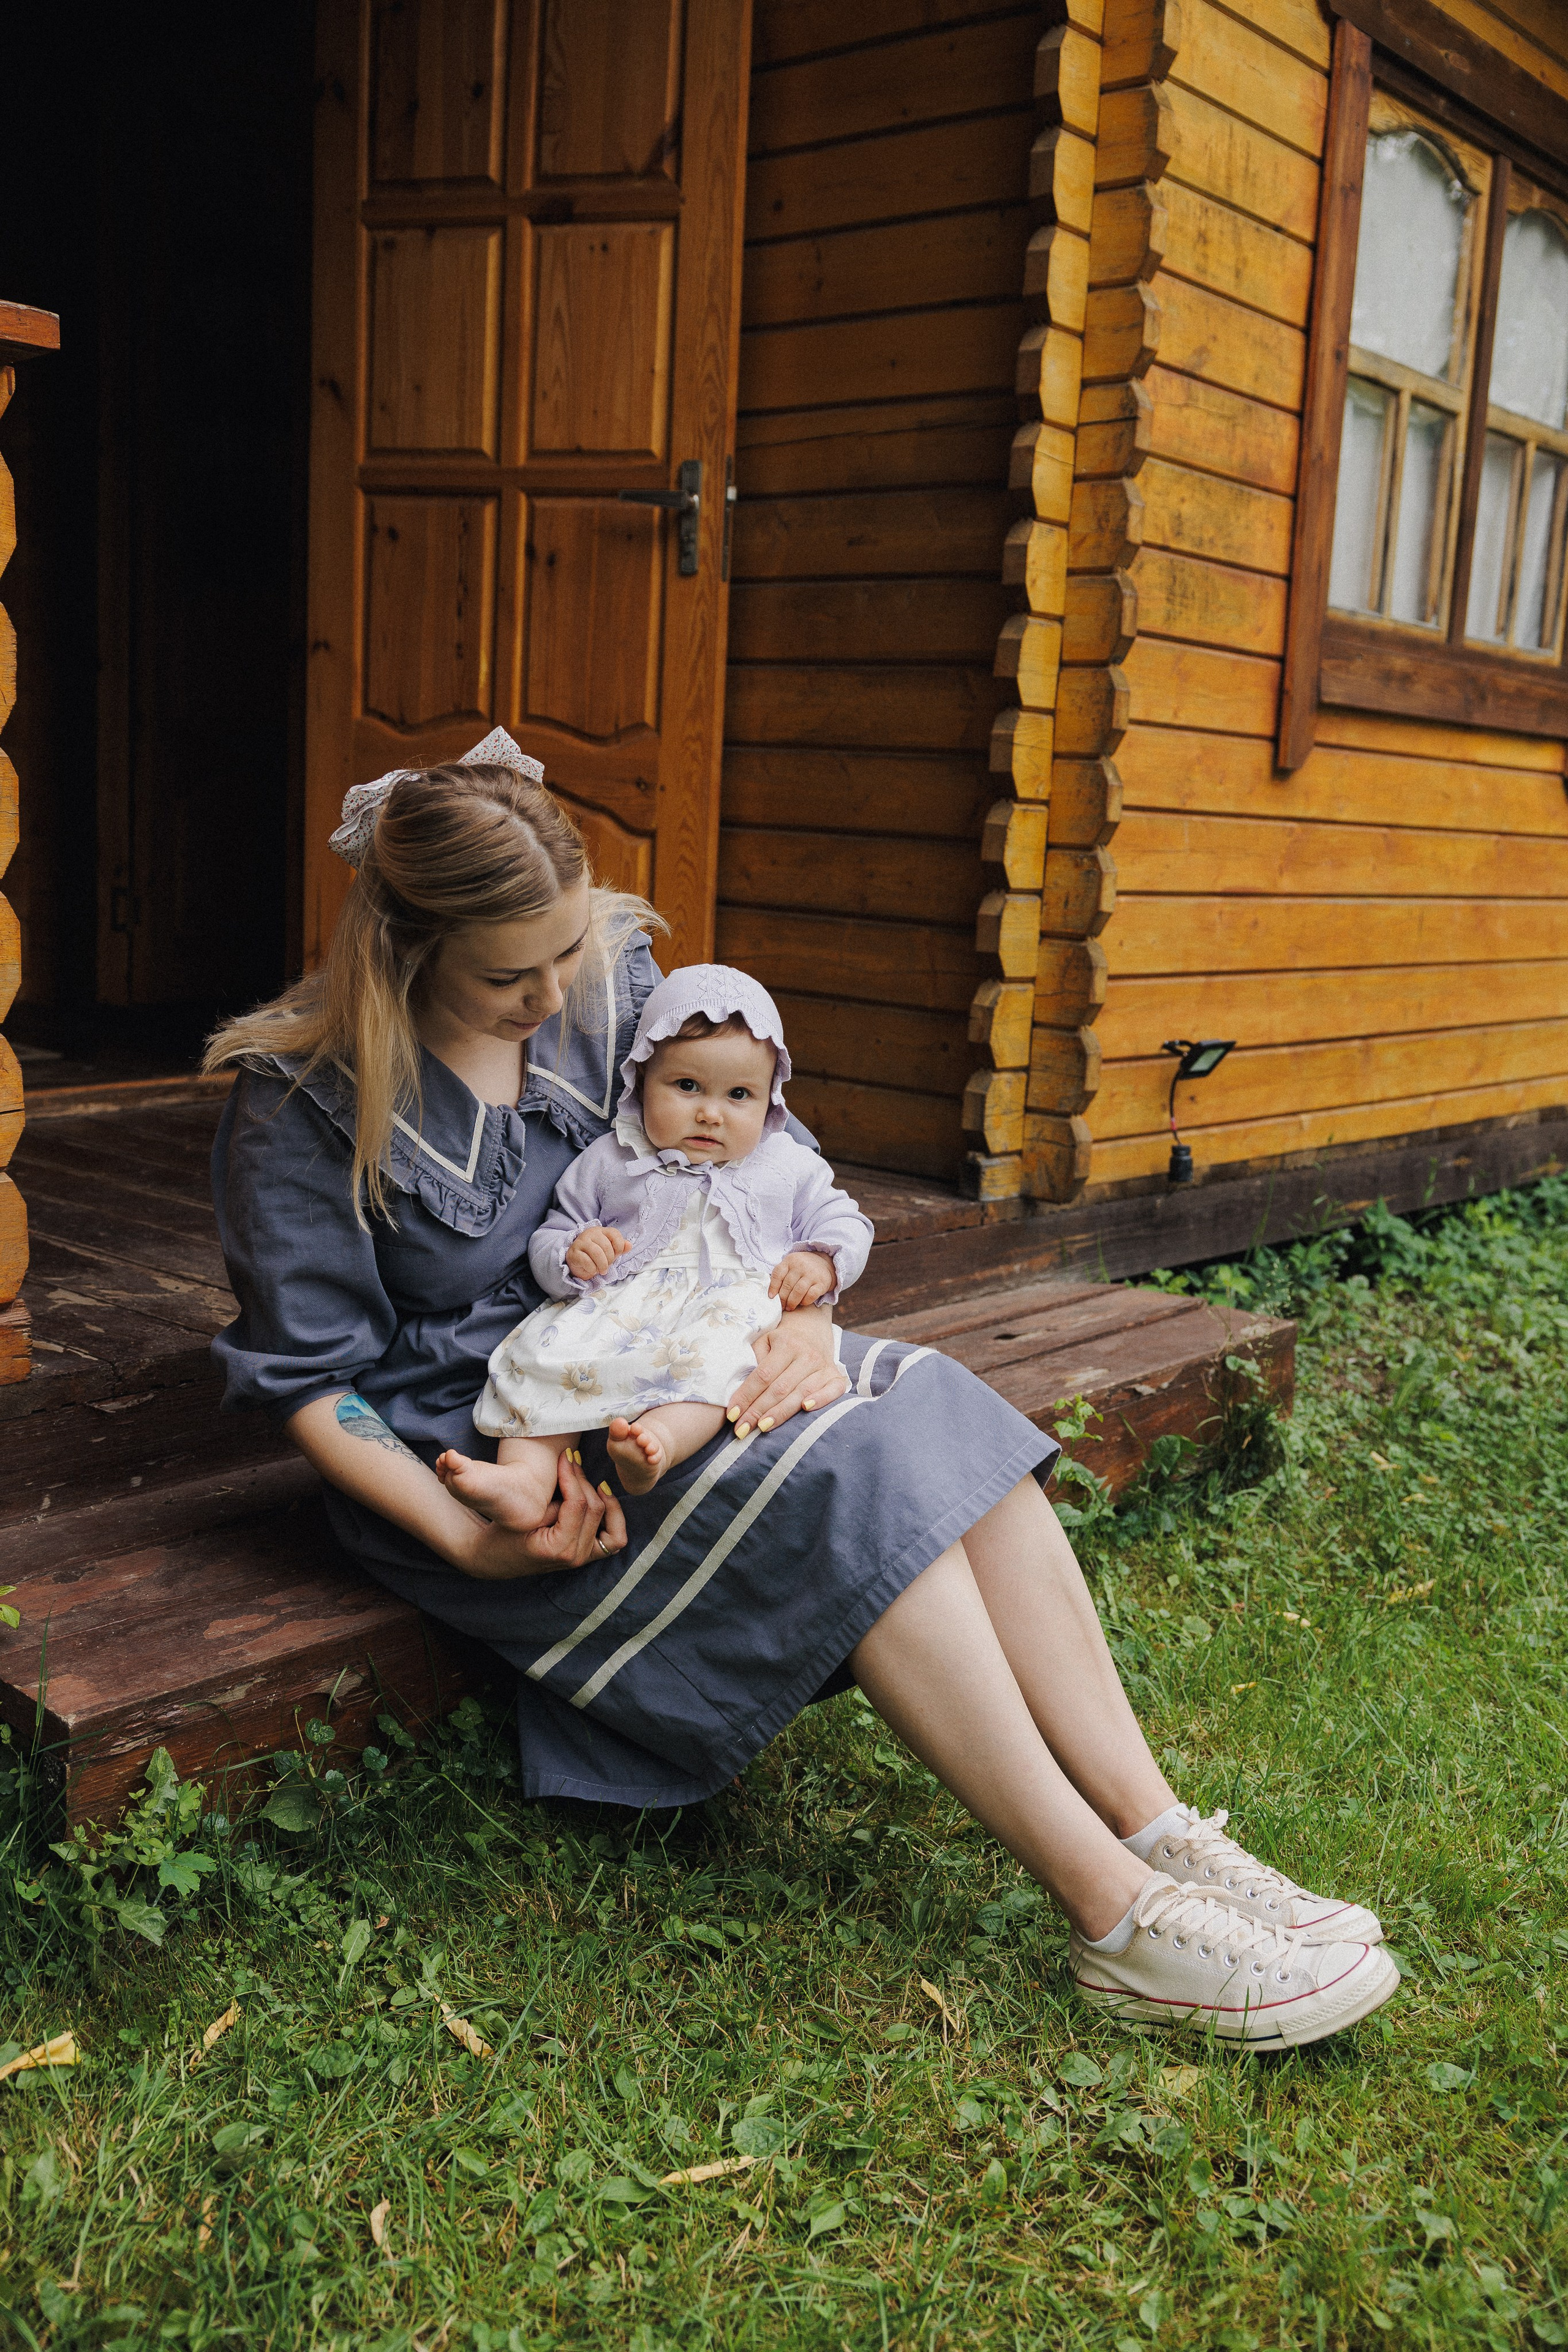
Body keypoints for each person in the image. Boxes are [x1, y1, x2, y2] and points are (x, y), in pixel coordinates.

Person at [206, 731, 1398, 2048]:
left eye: (569, 952)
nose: (556, 993)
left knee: (925, 1399)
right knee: (847, 1475)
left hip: (671, 1332)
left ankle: (1156, 1830)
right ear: (404, 948)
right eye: (510, 972)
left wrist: (814, 1316)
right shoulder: (296, 1106)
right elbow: (313, 1386)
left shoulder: (604, 981)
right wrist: (460, 1537)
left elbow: (763, 1136)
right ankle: (1114, 1920)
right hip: (474, 1443)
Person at [433, 962, 873, 1518]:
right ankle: (523, 1479)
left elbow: (847, 1222)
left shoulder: (785, 1164)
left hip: (723, 1309)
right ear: (642, 1080)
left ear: (771, 1100)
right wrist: (573, 1254)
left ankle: (655, 1448)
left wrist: (822, 1261)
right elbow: (555, 1230)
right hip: (617, 1311)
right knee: (545, 1361)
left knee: (719, 1368)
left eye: (739, 1094)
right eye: (686, 1086)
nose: (710, 1112)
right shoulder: (612, 1158)